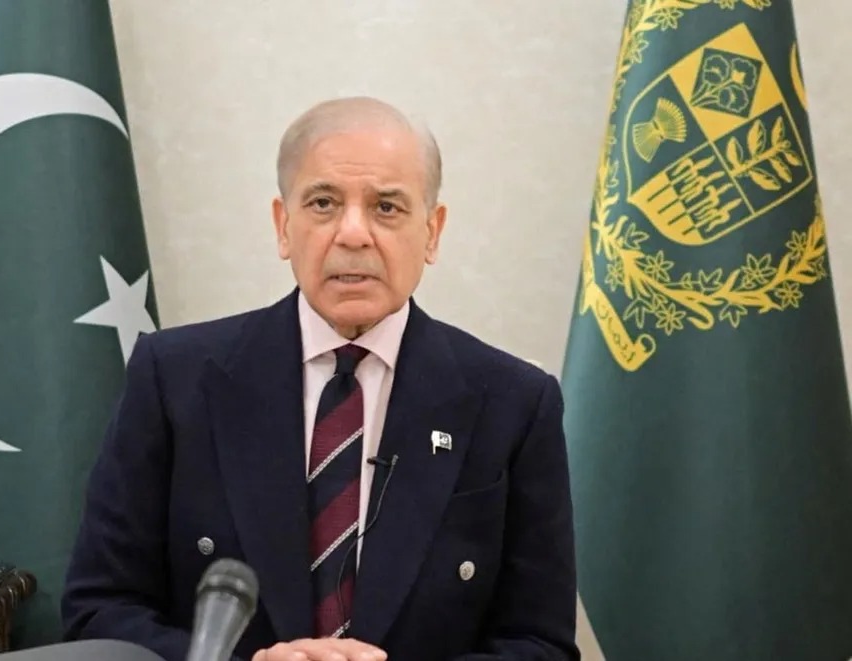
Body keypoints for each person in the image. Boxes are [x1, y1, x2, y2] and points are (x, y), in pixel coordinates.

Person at [61, 96, 579, 661]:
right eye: (323, 203)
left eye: (386, 207)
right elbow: (99, 613)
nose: (353, 234)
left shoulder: (514, 404)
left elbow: (541, 644)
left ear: (432, 232)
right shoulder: (174, 379)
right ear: (283, 226)